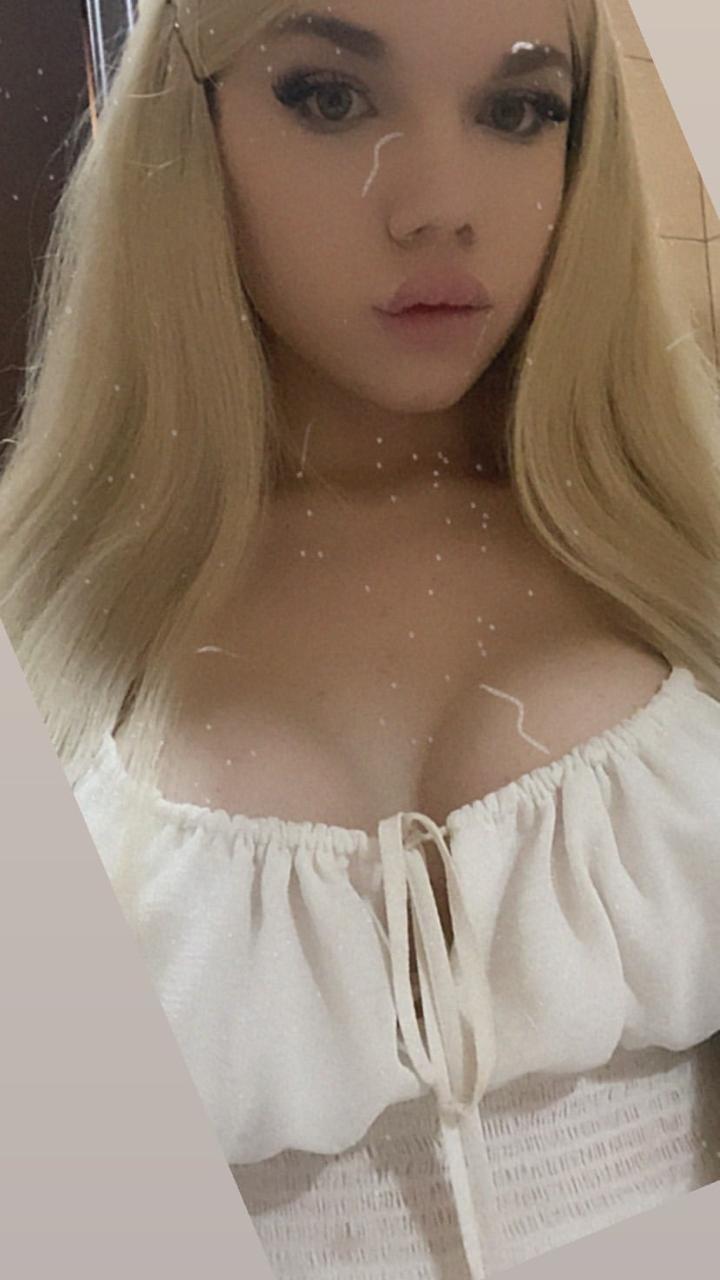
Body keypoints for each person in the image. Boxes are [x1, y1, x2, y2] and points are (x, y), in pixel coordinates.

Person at [1, 0, 720, 1275]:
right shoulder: (51, 607)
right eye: (329, 98)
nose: (440, 208)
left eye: (519, 109)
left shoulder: (678, 532)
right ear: (188, 122)